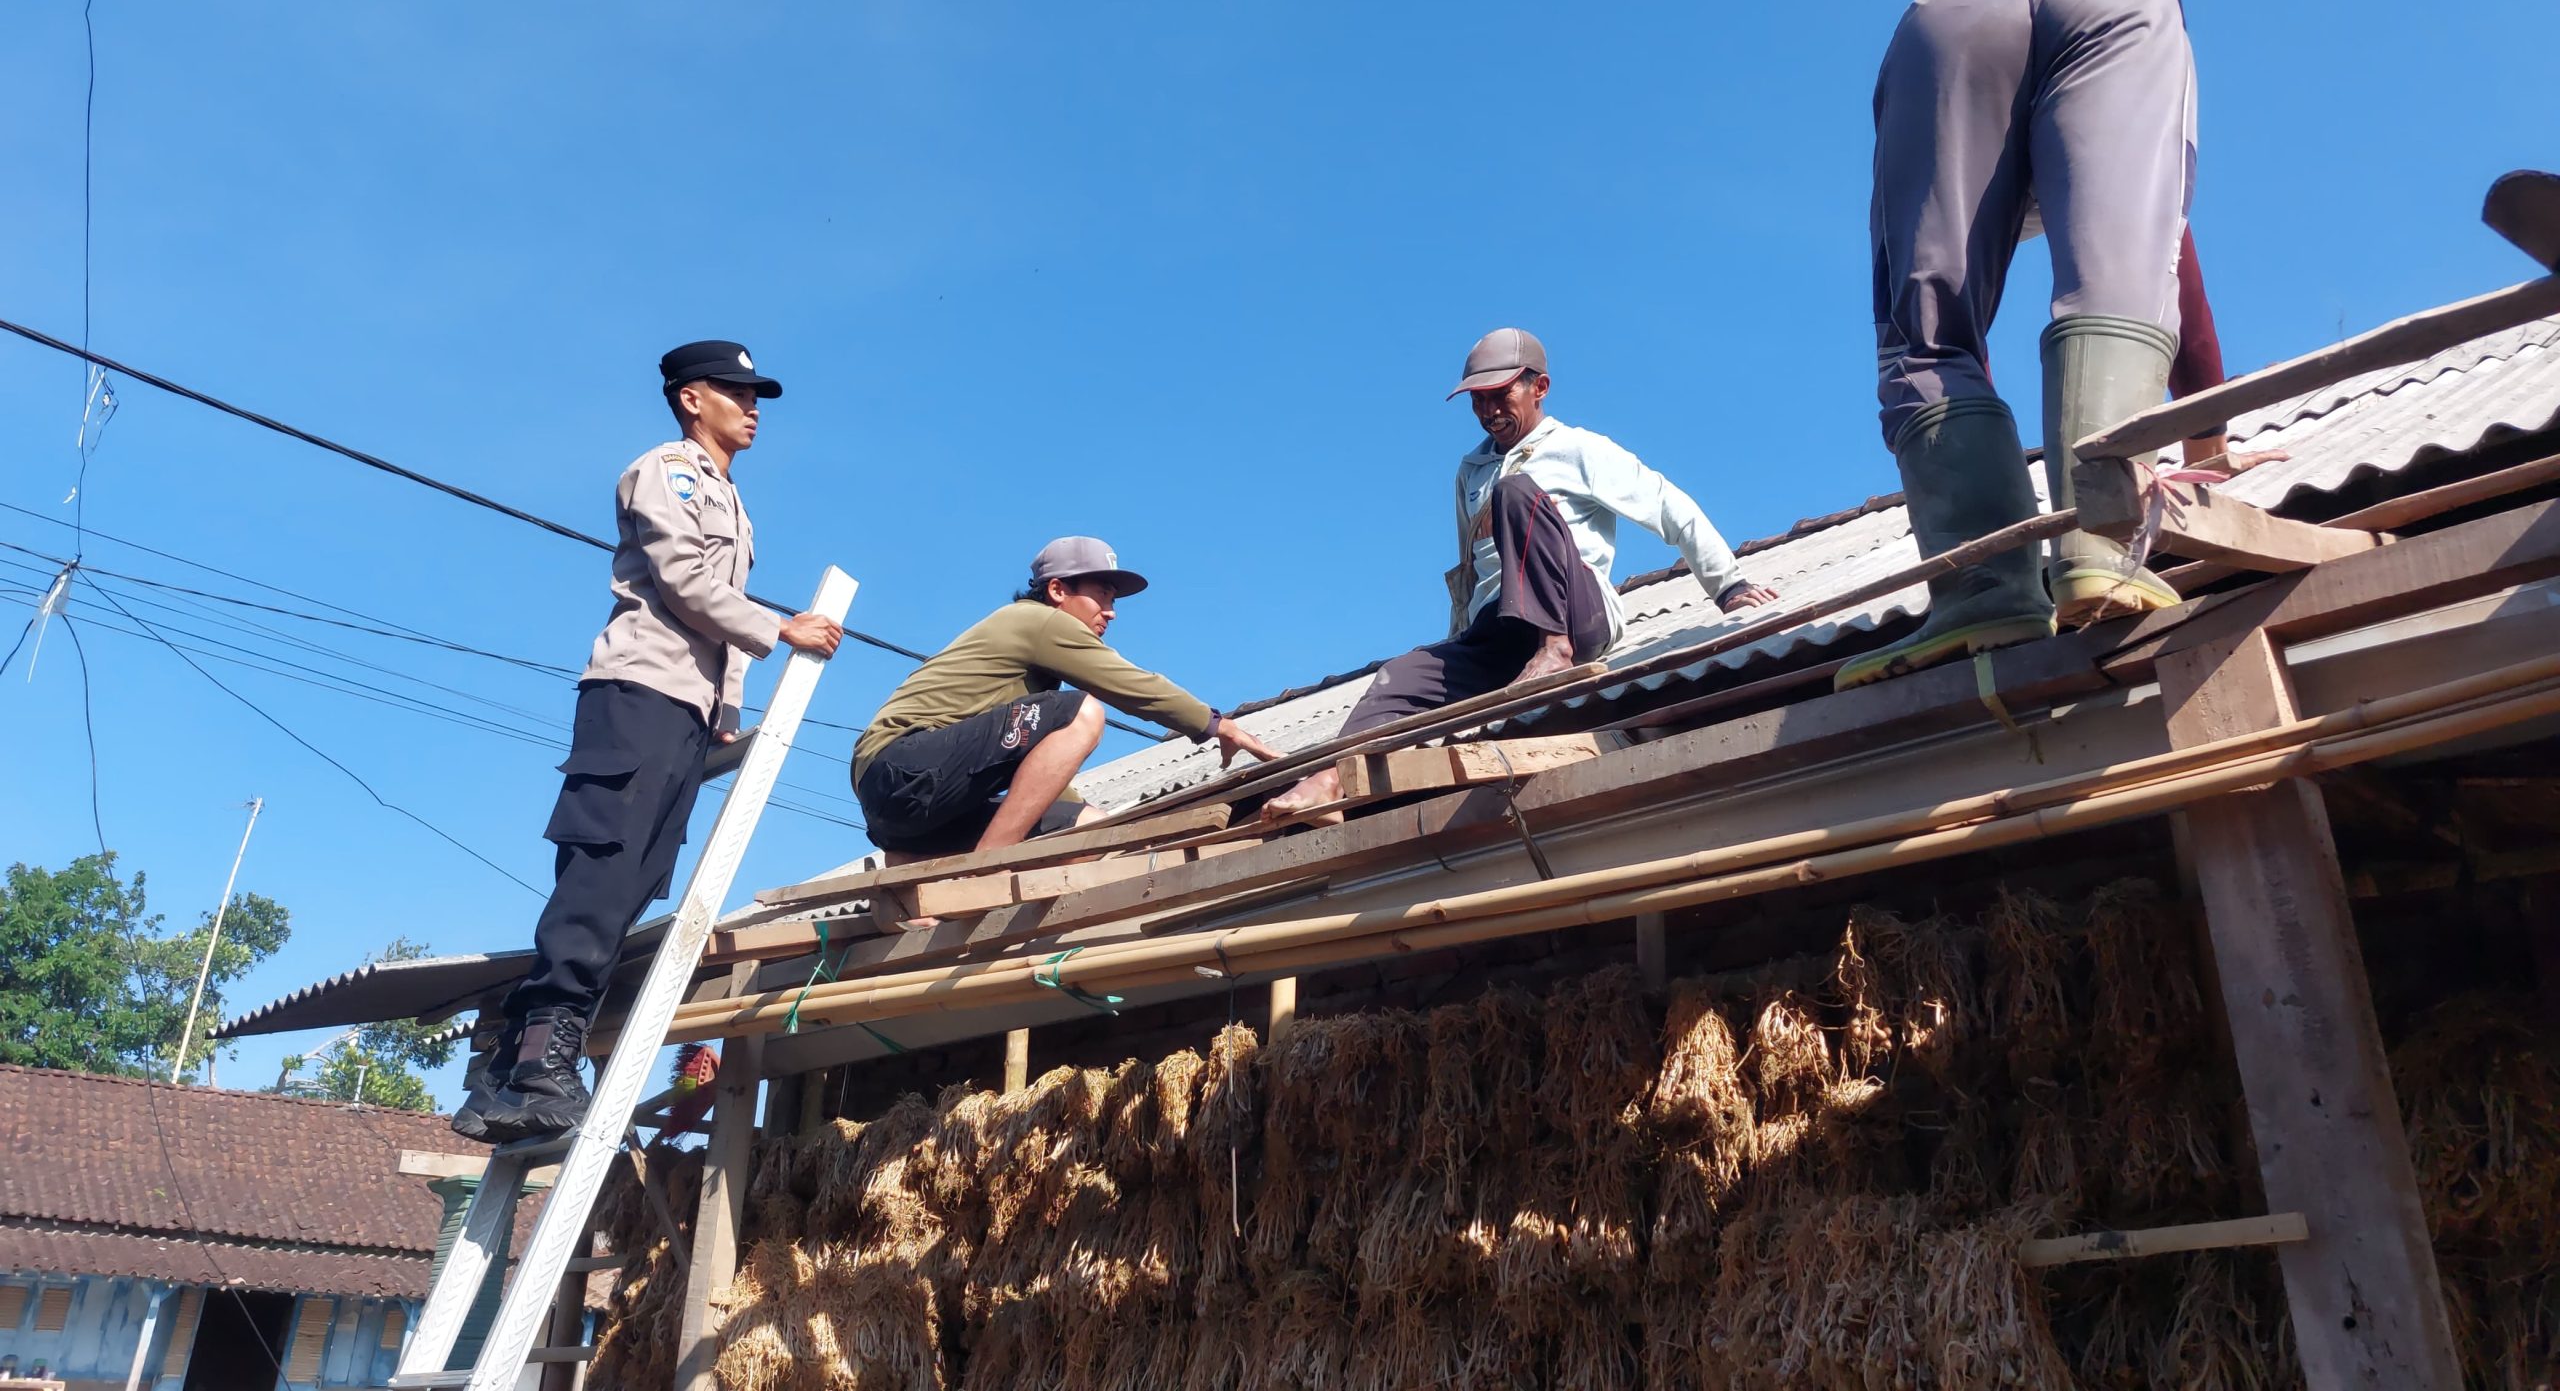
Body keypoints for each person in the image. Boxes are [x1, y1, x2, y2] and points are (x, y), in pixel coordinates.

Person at [453, 340, 845, 1143]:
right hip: (636, 692)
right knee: (601, 873)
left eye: (757, 394)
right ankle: (534, 1061)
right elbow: (684, 581)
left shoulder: (735, 503)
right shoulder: (666, 470)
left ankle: (518, 1071)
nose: (754, 407)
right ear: (691, 398)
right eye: (737, 392)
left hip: (688, 710)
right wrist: (782, 628)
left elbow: (717, 611)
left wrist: (728, 703)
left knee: (636, 881)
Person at [1839, 0, 2240, 692]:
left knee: (1923, 333)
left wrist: (1980, 521)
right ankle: (2103, 543)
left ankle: (1983, 593)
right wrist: (2206, 437)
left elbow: (1949, 353)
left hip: (1945, 20)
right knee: (2120, 266)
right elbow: (2164, 254)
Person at [1260, 329, 1777, 823]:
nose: (1488, 411)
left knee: (1518, 493)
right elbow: (1469, 571)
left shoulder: (1578, 449)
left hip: (1576, 616)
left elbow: (1669, 506)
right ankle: (1330, 782)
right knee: (1399, 676)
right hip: (1502, 628)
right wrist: (1457, 648)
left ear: (1539, 388)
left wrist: (1727, 586)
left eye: (1499, 395)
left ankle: (1554, 652)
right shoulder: (1472, 470)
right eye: (1477, 401)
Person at [852, 536, 1280, 870]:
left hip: (902, 818)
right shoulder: (1034, 620)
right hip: (900, 765)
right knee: (1085, 710)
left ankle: (912, 874)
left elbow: (1041, 773)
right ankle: (983, 871)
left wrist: (1083, 816)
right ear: (1057, 590)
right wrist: (1217, 725)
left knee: (1088, 830)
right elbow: (1131, 684)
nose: (1110, 612)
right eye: (1103, 595)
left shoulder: (1030, 694)